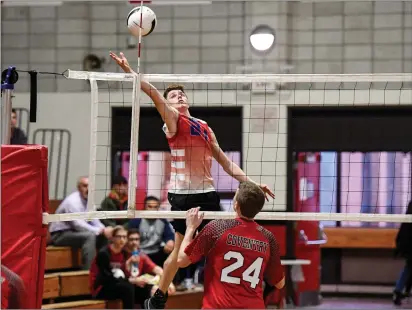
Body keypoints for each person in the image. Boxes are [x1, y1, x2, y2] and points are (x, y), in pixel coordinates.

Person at [110, 51, 275, 309]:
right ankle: (159, 297)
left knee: (224, 242)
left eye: (181, 94)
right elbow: (153, 93)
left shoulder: (204, 125)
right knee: (179, 255)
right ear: (169, 105)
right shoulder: (173, 121)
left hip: (208, 194)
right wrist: (131, 72)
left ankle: (226, 292)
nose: (180, 97)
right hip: (184, 197)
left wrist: (252, 183)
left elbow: (225, 161)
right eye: (174, 96)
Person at [176, 181, 284, 309]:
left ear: (236, 204)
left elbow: (181, 261)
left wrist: (191, 228)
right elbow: (280, 284)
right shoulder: (268, 238)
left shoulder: (217, 228)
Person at [393, 201, 412, 305]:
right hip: (408, 243)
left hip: (406, 244)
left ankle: (401, 291)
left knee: (409, 268)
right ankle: (400, 291)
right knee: (409, 267)